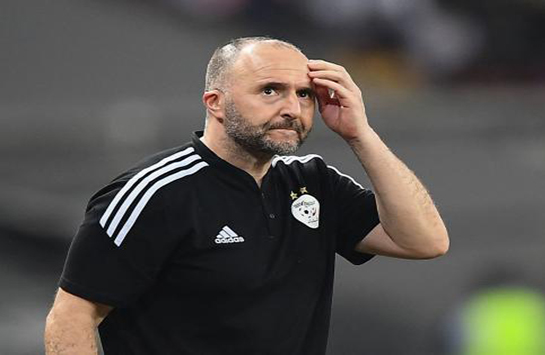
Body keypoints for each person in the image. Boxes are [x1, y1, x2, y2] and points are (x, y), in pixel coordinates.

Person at [44, 36, 449, 355]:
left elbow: (425, 241)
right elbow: (71, 318)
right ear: (215, 102)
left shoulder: (314, 182)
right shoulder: (155, 192)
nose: (292, 107)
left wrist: (361, 134)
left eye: (304, 93)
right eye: (270, 90)